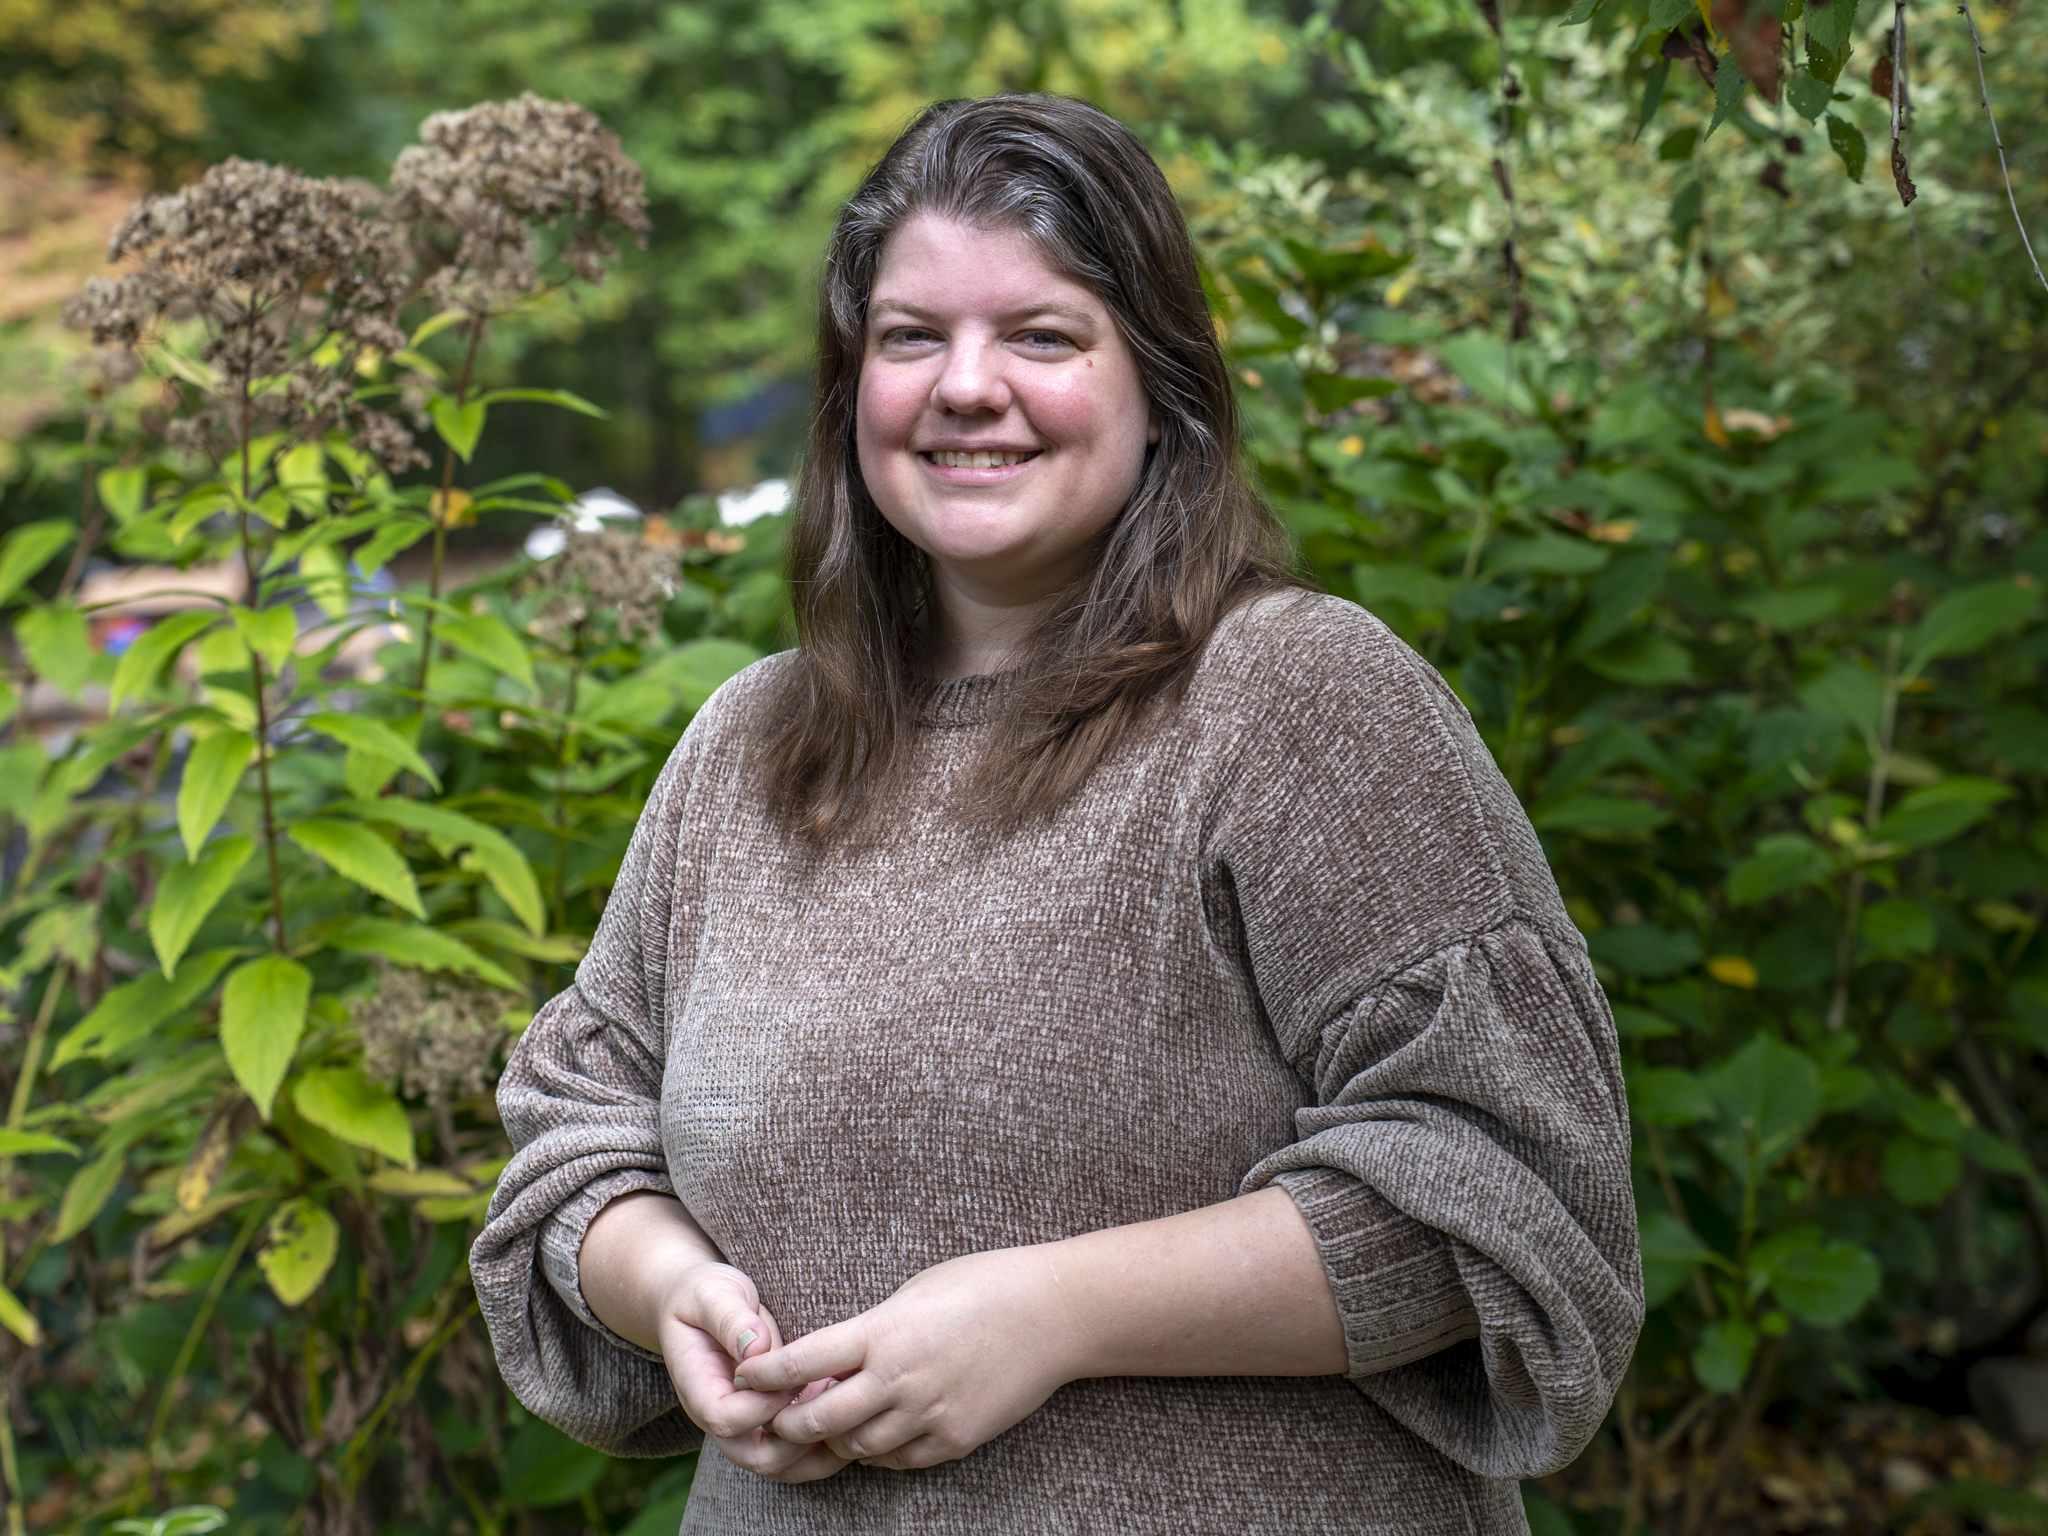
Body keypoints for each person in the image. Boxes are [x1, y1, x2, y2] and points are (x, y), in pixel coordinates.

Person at [472, 93, 1641, 1535]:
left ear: (1164, 392)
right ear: (853, 400)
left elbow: (1514, 1180)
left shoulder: (1296, 701)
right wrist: (668, 1288)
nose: (967, 386)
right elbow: (574, 1140)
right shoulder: (749, 748)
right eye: (912, 338)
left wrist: (1051, 1314)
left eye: (1042, 334)